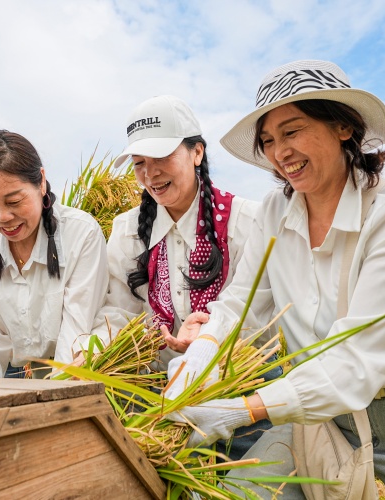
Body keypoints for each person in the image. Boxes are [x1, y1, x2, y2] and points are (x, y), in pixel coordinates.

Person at [163, 60, 385, 498]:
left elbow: (357, 358)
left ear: (343, 126)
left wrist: (237, 411)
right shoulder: (273, 212)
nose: (278, 152)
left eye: (292, 131)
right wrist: (197, 364)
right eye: (268, 140)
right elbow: (241, 305)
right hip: (324, 419)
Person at [95, 95, 266, 459]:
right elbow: (118, 311)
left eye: (162, 158)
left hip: (234, 390)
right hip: (156, 390)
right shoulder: (127, 230)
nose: (150, 173)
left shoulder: (247, 221)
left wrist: (207, 337)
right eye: (140, 163)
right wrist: (100, 352)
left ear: (197, 153)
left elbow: (257, 313)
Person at [0, 130, 108, 379]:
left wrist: (55, 399)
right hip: (23, 373)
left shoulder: (81, 233)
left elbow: (76, 331)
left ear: (41, 182)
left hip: (82, 370)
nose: (3, 217)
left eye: (14, 201)